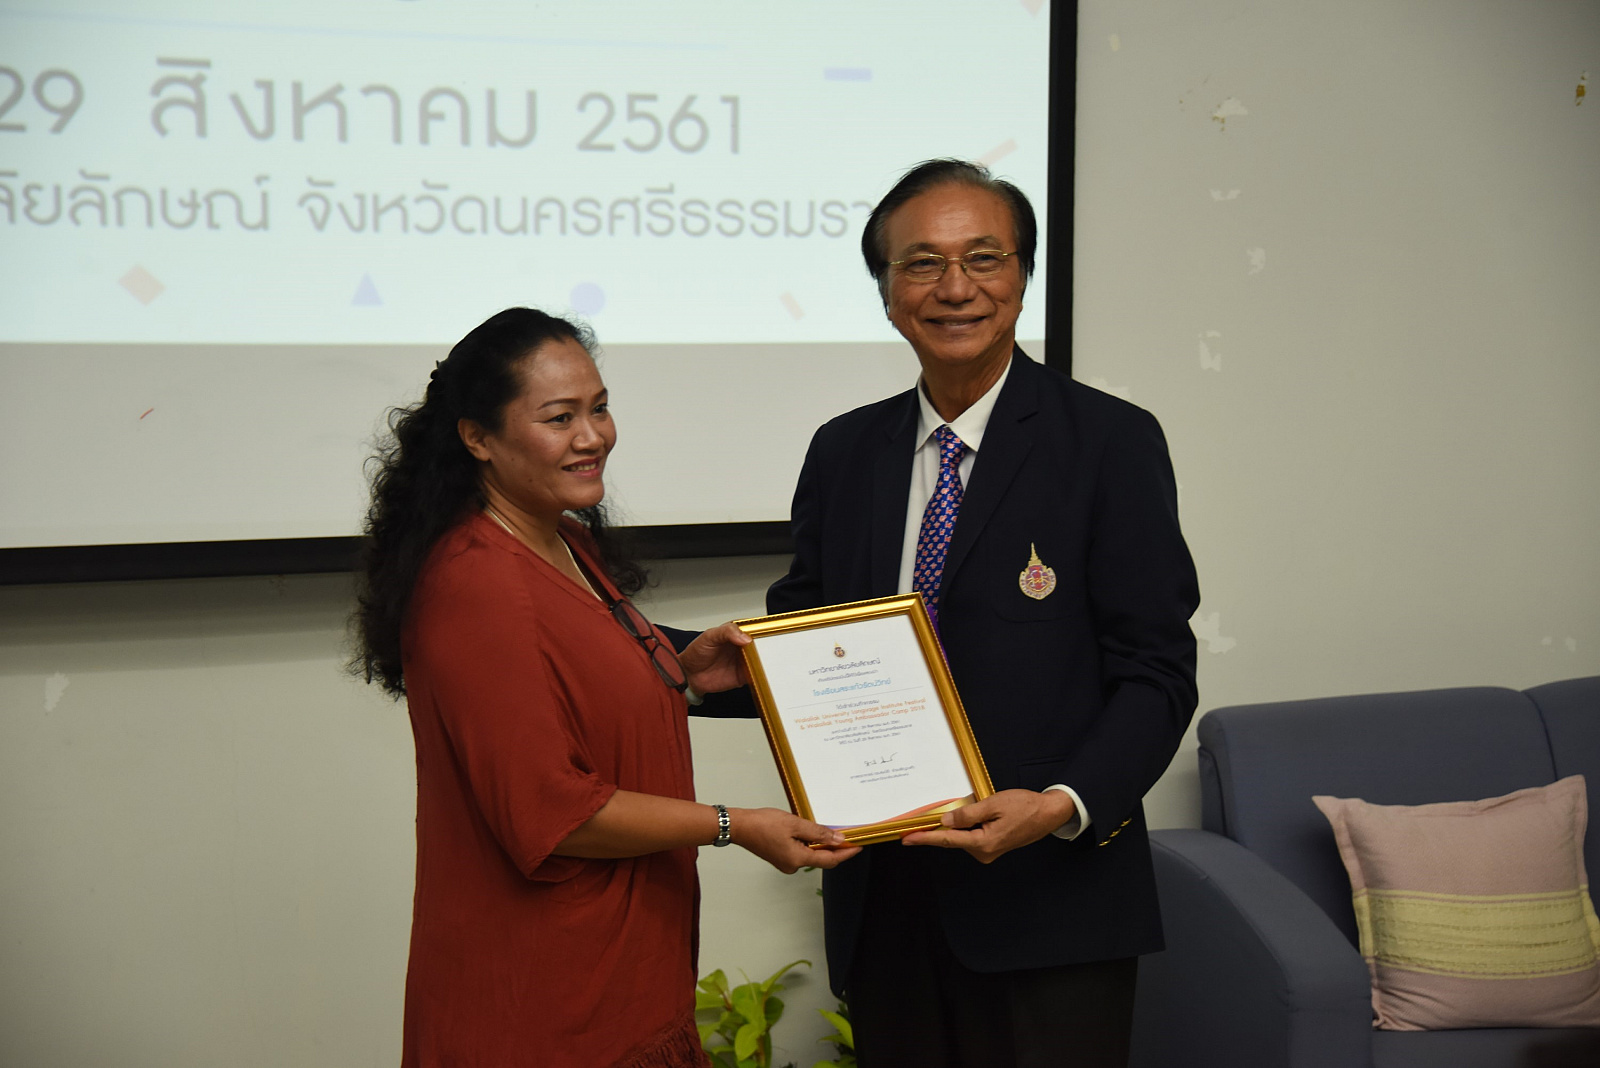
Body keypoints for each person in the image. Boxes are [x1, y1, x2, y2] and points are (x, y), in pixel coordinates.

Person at [767, 160, 1201, 1068]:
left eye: (984, 258)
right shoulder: (844, 451)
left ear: (1023, 277)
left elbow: (1157, 671)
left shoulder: (1111, 442)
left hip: (1054, 904)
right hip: (885, 905)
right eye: (922, 263)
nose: (955, 287)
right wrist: (686, 670)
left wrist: (1060, 806)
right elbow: (805, 647)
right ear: (887, 292)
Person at [352, 307, 858, 1068]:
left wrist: (682, 677)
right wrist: (735, 824)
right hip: (544, 1001)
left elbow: (575, 690)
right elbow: (550, 814)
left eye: (599, 408)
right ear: (477, 437)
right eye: (560, 418)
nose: (592, 437)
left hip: (621, 971)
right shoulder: (474, 581)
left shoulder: (562, 537)